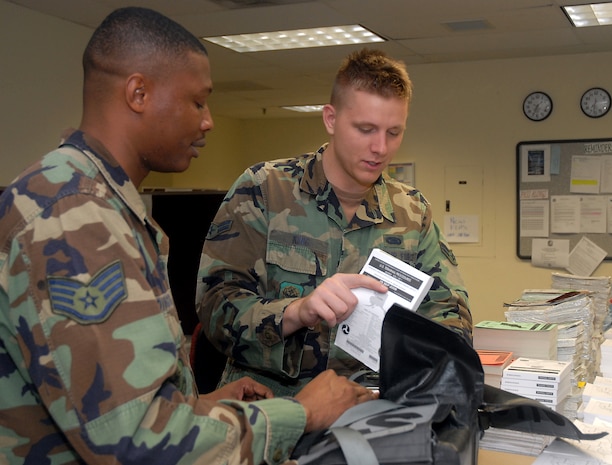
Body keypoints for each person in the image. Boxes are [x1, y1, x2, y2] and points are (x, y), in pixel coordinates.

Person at [0, 7, 375, 465]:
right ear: (138, 93)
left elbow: (119, 404)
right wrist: (301, 412)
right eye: (197, 102)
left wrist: (202, 404)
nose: (208, 121)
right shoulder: (74, 217)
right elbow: (130, 445)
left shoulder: (100, 204)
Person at [196, 48, 473, 397]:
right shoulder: (264, 190)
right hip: (269, 413)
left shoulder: (412, 213)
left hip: (366, 413)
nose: (380, 148)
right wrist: (297, 311)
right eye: (366, 129)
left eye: (394, 132)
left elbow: (450, 315)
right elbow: (215, 309)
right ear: (330, 119)